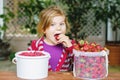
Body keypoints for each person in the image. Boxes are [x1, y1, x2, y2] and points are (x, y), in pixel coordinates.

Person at [28, 6, 74, 72]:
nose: (58, 28)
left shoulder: (70, 44)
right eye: (52, 24)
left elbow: (81, 62)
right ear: (44, 29)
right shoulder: (35, 46)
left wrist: (70, 47)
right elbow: (29, 66)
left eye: (61, 24)